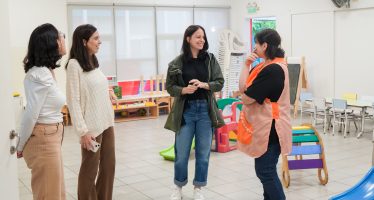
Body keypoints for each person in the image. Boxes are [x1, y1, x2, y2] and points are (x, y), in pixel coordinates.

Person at [165, 25, 225, 200]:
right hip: (186, 111)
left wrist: (204, 84)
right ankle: (178, 186)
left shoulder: (210, 59)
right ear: (188, 39)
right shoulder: (177, 63)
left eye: (203, 37)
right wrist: (184, 90)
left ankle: (198, 187)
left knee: (203, 153)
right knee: (182, 153)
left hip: (206, 112)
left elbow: (219, 82)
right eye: (198, 37)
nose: (202, 40)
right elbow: (170, 87)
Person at [238, 28, 292, 200]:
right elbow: (243, 88)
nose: (254, 47)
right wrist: (246, 64)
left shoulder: (273, 70)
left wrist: (245, 95)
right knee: (265, 171)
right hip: (269, 126)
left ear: (265, 45)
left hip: (271, 128)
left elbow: (246, 98)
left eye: (257, 43)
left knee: (265, 171)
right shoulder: (265, 66)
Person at [65, 24, 116, 200]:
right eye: (95, 38)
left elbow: (96, 84)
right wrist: (83, 131)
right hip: (91, 128)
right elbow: (74, 101)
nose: (99, 41)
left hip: (107, 122)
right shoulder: (74, 65)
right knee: (89, 170)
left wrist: (107, 91)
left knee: (109, 166)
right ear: (84, 41)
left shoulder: (92, 61)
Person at [17, 23, 67, 200]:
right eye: (61, 35)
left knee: (56, 193)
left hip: (51, 136)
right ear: (51, 42)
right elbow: (31, 114)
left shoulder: (47, 71)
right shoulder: (38, 74)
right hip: (43, 139)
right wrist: (20, 145)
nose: (63, 38)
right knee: (49, 195)